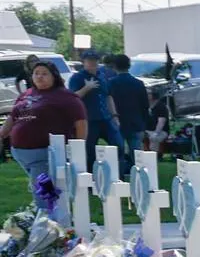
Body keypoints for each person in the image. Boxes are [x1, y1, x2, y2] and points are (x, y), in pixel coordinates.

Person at [0, 60, 86, 206]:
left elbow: (81, 123)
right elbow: (13, 116)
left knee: (43, 192)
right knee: (43, 185)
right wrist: (3, 133)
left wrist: (77, 147)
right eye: (36, 73)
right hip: (20, 153)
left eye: (44, 74)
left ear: (54, 76)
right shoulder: (26, 94)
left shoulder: (66, 97)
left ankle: (48, 219)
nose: (39, 77)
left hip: (44, 153)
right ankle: (52, 214)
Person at [68, 49, 123, 173]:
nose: (92, 63)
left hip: (105, 118)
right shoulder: (77, 77)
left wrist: (115, 116)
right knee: (89, 150)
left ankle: (118, 175)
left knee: (118, 145)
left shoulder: (102, 76)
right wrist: (86, 88)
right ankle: (90, 178)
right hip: (89, 120)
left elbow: (108, 96)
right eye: (89, 60)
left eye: (94, 60)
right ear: (84, 62)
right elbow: (72, 98)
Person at [105, 54, 150, 154]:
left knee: (118, 153)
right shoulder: (139, 83)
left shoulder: (111, 83)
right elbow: (145, 106)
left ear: (114, 66)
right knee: (136, 155)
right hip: (136, 123)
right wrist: (144, 125)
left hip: (118, 122)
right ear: (129, 66)